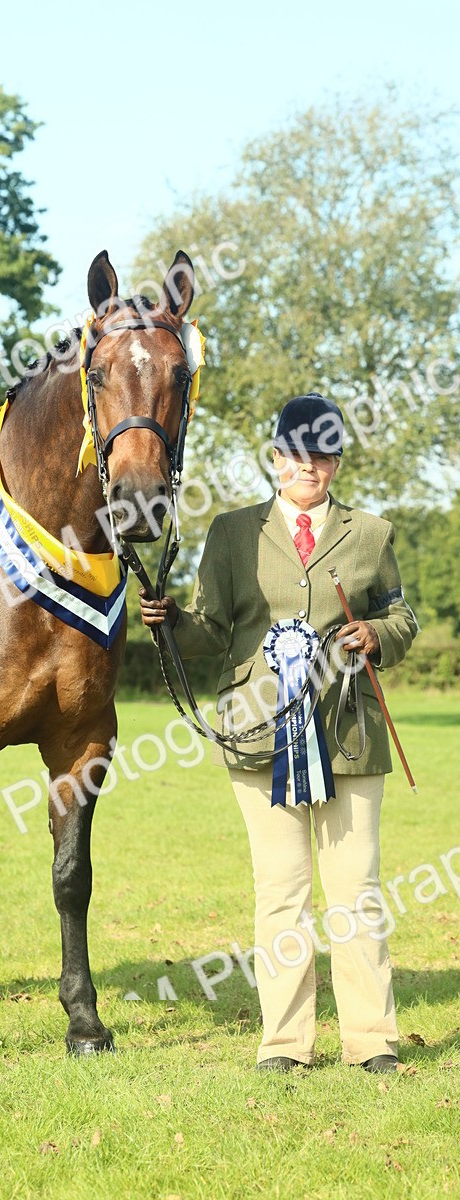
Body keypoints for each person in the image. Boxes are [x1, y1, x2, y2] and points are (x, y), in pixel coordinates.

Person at [140, 393, 418, 1074]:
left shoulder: (372, 534)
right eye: (296, 454)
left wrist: (376, 634)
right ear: (274, 457)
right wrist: (170, 621)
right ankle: (286, 1044)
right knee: (281, 891)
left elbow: (401, 616)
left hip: (350, 732)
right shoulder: (232, 533)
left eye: (322, 455)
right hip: (257, 733)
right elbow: (211, 629)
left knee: (356, 889)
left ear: (337, 462)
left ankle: (371, 1039)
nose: (308, 466)